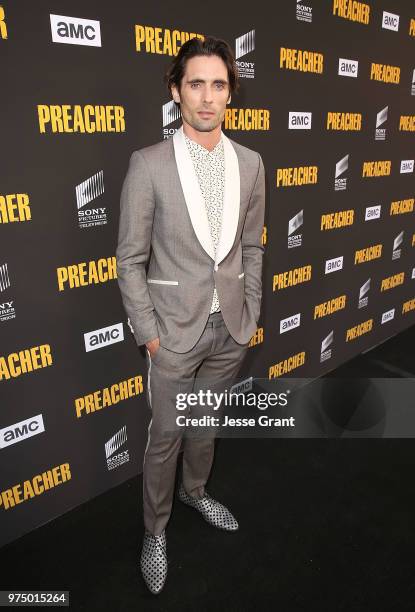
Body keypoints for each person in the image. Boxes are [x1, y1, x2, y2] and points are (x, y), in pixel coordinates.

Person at [116, 35, 265, 595]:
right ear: (177, 91)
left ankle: (196, 492)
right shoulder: (149, 164)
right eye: (195, 84)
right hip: (173, 335)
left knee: (206, 426)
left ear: (231, 94)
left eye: (219, 85)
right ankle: (156, 531)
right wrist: (150, 336)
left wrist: (248, 313)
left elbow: (251, 248)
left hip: (229, 329)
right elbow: (129, 259)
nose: (207, 97)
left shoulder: (251, 164)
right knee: (166, 437)